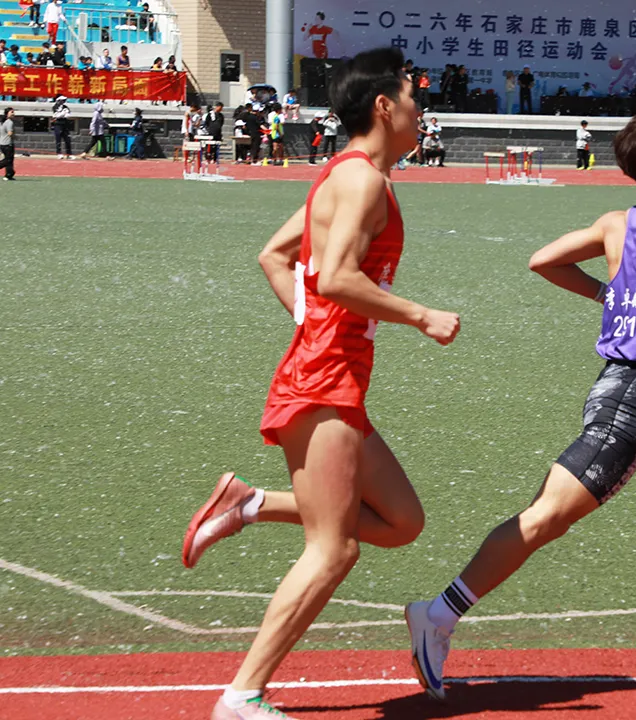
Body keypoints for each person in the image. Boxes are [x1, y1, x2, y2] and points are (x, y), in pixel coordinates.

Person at [405, 101, 636, 700]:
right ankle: (438, 614)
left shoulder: (617, 222)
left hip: (633, 395)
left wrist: (612, 293)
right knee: (544, 517)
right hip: (631, 402)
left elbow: (543, 261)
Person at [180, 46, 460, 720]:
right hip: (324, 381)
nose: (421, 110)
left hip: (329, 373)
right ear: (384, 106)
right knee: (334, 549)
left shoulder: (343, 174)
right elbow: (333, 276)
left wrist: (317, 326)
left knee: (402, 520)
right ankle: (242, 694)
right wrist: (420, 315)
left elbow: (275, 257)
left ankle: (248, 504)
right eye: (413, 98)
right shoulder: (362, 181)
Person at [51, 94, 72, 159]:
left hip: (65, 124)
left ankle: (69, 154)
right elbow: (56, 116)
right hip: (58, 124)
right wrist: (63, 113)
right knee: (58, 140)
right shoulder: (55, 107)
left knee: (67, 140)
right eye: (62, 100)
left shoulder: (65, 107)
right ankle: (59, 153)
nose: (63, 101)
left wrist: (64, 114)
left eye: (64, 100)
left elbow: (68, 115)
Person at [0, 107, 15, 181]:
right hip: (8, 144)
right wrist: (15, 137)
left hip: (2, 144)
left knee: (10, 160)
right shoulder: (9, 122)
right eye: (11, 112)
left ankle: (9, 175)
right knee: (8, 160)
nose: (13, 113)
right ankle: (10, 173)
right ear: (7, 113)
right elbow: (10, 133)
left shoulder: (2, 122)